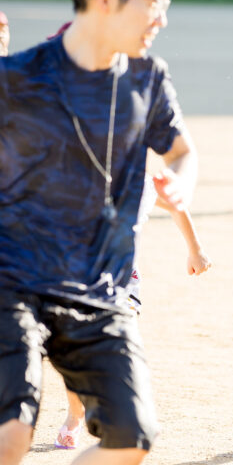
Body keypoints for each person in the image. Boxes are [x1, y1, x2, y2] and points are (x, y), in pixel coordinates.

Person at [0, 0, 198, 465]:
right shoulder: (19, 77)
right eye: (155, 1)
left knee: (132, 435)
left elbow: (181, 150)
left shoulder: (148, 78)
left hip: (99, 289)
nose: (163, 18)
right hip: (14, 280)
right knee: (12, 434)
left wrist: (181, 180)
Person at [55, 174, 212, 450]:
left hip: (124, 283)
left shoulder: (141, 181)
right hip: (76, 280)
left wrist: (195, 249)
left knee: (119, 347)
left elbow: (176, 204)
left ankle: (120, 415)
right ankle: (75, 412)